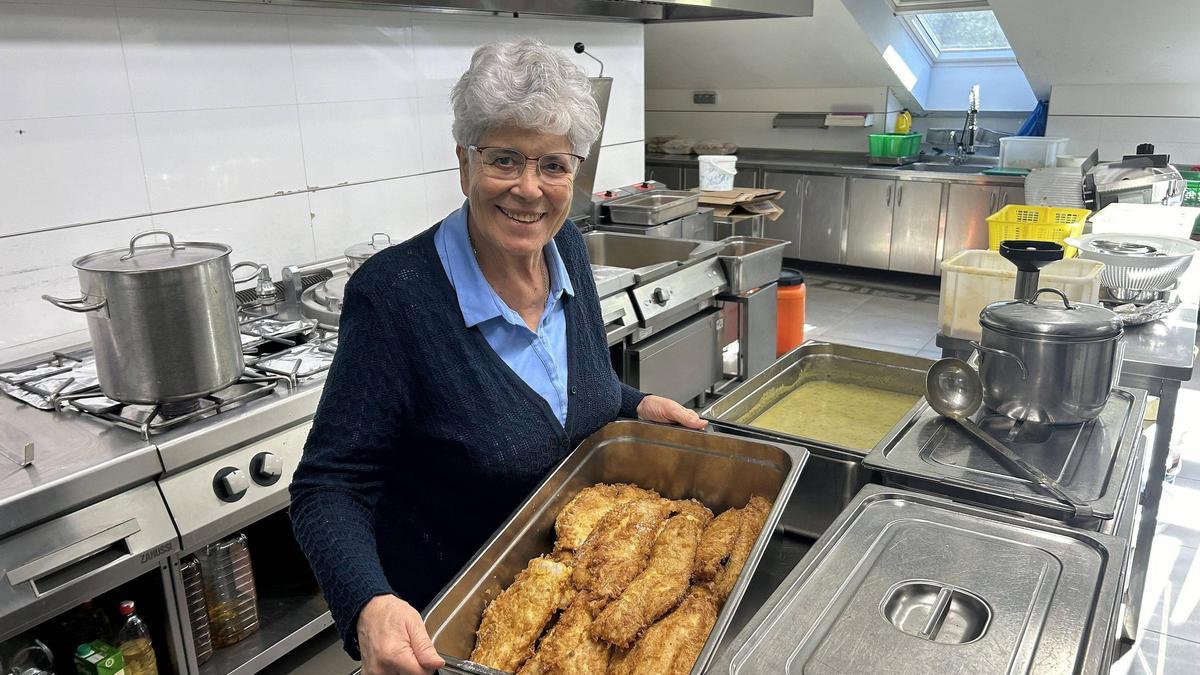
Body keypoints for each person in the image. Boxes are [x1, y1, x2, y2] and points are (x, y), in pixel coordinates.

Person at [289, 40, 705, 675]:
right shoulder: (394, 297)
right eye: (505, 160)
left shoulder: (566, 249)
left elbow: (569, 394)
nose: (530, 190)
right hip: (454, 634)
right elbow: (330, 485)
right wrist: (368, 603)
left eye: (554, 165)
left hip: (574, 613)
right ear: (464, 163)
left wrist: (635, 403)